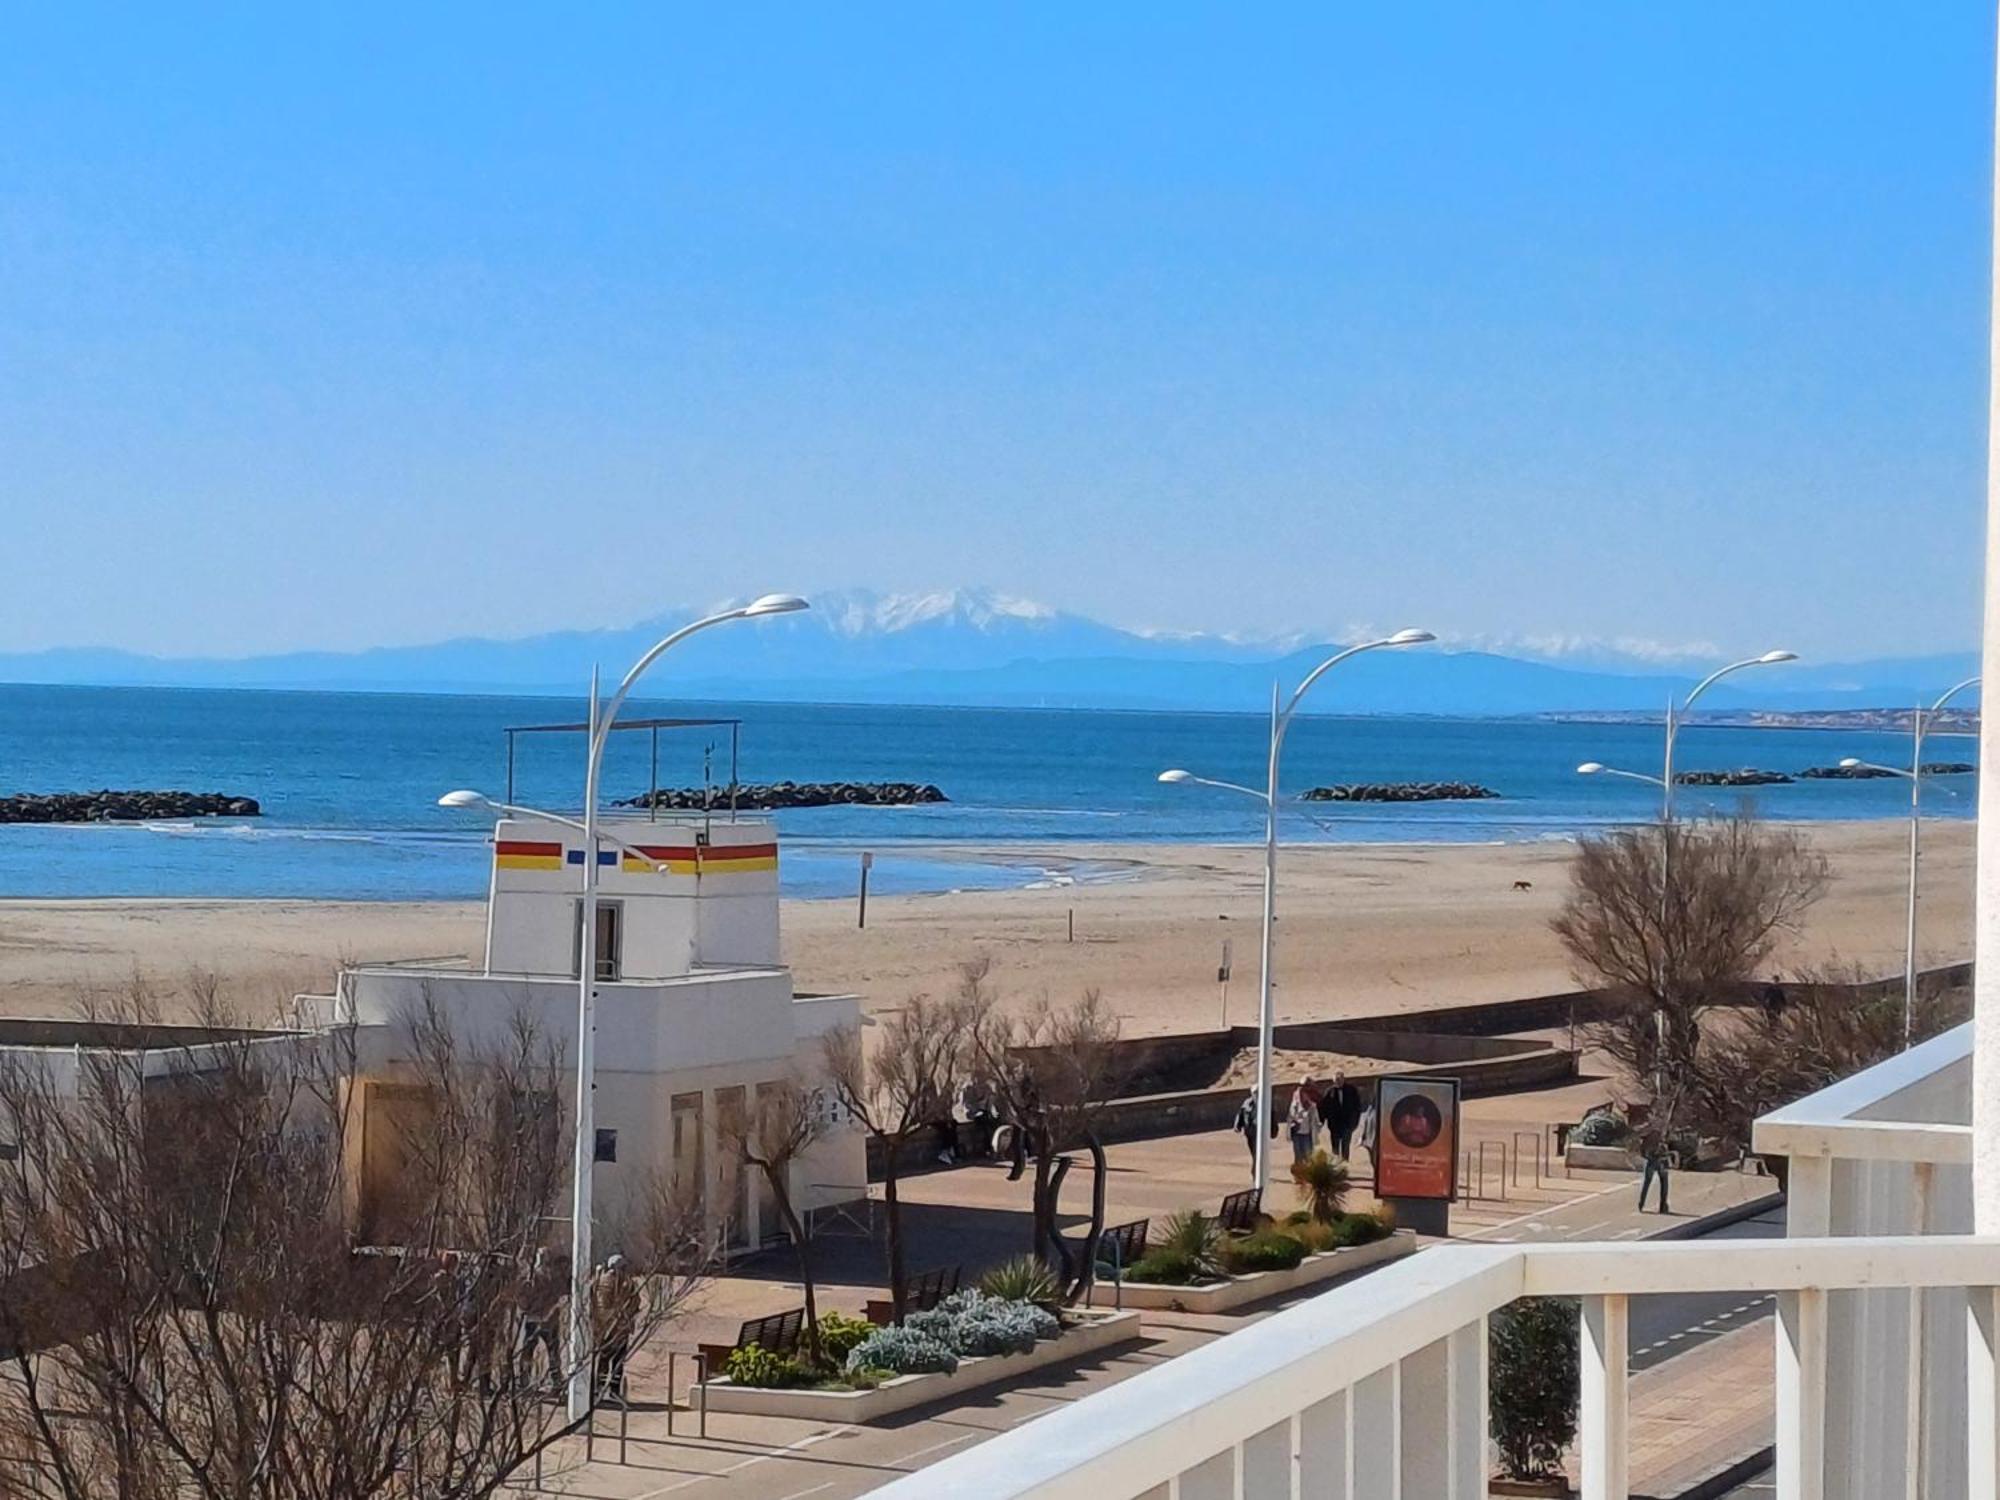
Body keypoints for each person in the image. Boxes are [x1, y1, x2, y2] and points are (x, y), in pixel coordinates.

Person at [589, 1254, 641, 1404]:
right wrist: (612, 1320)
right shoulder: (605, 1282)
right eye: (623, 1267)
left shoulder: (626, 1283)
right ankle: (599, 1388)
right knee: (604, 1358)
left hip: (620, 1328)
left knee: (618, 1360)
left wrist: (627, 1313)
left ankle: (614, 1390)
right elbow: (601, 1306)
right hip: (608, 1328)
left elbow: (635, 1301)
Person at [516, 1248, 566, 1395]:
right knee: (538, 1350)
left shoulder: (541, 1276)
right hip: (543, 1319)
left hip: (543, 1319)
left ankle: (548, 1381)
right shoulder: (539, 1276)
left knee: (539, 1350)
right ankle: (530, 1381)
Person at [1318, 1071, 1363, 1159]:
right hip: (1334, 1125)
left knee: (1345, 1147)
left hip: (1347, 1124)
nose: (1337, 1082)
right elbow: (1324, 1108)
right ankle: (1336, 1166)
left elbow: (1357, 1107)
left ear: (1343, 1079)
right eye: (1335, 1081)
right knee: (1335, 1148)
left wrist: (1354, 1122)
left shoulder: (1351, 1090)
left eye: (1339, 1080)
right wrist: (1321, 1121)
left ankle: (1345, 1165)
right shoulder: (1329, 1092)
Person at [1638, 1119, 1673, 1215]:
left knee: (1647, 1183)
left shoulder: (1646, 1138)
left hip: (1650, 1161)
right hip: (1661, 1160)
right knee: (1664, 1183)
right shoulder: (1661, 1136)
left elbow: (1642, 1152)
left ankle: (1641, 1203)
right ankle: (1663, 1205)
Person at [1232, 1090, 1260, 1177]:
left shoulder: (1264, 1103)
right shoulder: (1247, 1103)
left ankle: (1255, 1172)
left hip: (1259, 1134)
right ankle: (1256, 1169)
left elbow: (1272, 1116)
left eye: (1257, 1093)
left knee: (1257, 1153)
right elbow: (1240, 1114)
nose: (1256, 1095)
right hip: (1249, 1133)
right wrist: (1237, 1125)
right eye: (1254, 1093)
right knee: (1253, 1153)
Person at [1287, 1086, 1317, 1164]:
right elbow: (1289, 1120)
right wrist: (1288, 1134)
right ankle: (1299, 1174)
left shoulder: (1311, 1106)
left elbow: (1313, 1122)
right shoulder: (1294, 1106)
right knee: (1298, 1156)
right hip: (1296, 1134)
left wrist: (1314, 1137)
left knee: (1308, 1157)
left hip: (1306, 1135)